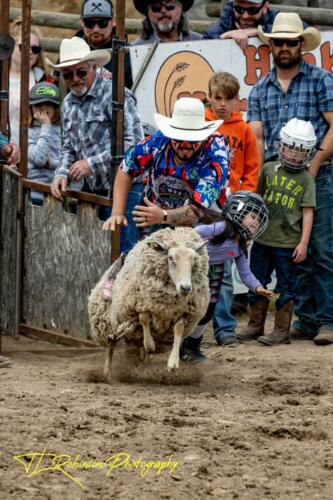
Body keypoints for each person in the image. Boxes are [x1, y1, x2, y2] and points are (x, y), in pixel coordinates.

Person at [247, 12, 333, 346]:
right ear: (271, 45)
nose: (284, 47)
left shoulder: (320, 79)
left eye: (291, 42)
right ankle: (307, 320)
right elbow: (256, 138)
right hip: (276, 181)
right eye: (279, 42)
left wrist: (315, 163)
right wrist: (257, 185)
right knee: (287, 252)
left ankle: (326, 318)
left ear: (301, 44)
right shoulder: (259, 90)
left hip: (318, 176)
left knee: (321, 249)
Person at [49, 37, 144, 250]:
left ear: (93, 68)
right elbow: (68, 148)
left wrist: (91, 164)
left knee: (123, 250)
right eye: (68, 75)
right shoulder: (67, 105)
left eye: (80, 72)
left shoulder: (117, 95)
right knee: (99, 252)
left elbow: (135, 144)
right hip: (95, 191)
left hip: (128, 188)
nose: (75, 79)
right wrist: (61, 173)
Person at [238, 118, 316, 345]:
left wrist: (303, 243)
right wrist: (249, 228)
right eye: (290, 147)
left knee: (286, 287)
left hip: (288, 244)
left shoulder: (306, 179)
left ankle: (281, 331)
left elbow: (308, 213)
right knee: (256, 281)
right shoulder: (268, 169)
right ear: (281, 145)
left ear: (308, 153)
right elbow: (257, 200)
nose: (293, 154)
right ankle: (254, 326)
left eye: (300, 151)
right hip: (263, 239)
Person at [103, 97, 229, 234]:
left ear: (203, 137)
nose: (185, 146)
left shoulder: (216, 156)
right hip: (158, 214)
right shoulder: (158, 142)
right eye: (179, 138)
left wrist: (163, 216)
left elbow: (196, 211)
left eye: (193, 140)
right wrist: (117, 212)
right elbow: (126, 169)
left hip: (203, 225)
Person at [180, 191, 276, 363]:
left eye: (259, 221)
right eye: (253, 216)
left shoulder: (240, 246)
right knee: (182, 305)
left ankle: (191, 346)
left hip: (214, 272)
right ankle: (173, 342)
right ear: (237, 210)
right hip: (194, 267)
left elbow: (245, 273)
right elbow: (197, 231)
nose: (256, 223)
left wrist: (258, 287)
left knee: (207, 312)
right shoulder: (222, 226)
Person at [205, 71, 260, 347]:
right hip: (205, 206)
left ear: (238, 100)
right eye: (217, 98)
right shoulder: (203, 126)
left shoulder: (244, 130)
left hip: (231, 209)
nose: (222, 104)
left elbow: (252, 168)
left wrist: (245, 199)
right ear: (209, 99)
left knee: (224, 270)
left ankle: (225, 328)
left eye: (228, 99)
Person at [9, 19, 53, 145]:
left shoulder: (45, 81)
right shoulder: (2, 78)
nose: (30, 52)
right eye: (24, 47)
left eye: (35, 49)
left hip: (33, 155)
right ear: (11, 45)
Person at [75, 0, 133, 88]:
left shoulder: (129, 56)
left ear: (114, 21)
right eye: (89, 23)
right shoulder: (70, 53)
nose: (96, 29)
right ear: (82, 21)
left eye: (102, 23)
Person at [27, 82, 61, 205]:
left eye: (47, 103)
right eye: (37, 104)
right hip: (36, 196)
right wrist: (46, 126)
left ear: (55, 107)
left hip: (61, 197)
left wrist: (52, 163)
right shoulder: (27, 133)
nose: (43, 108)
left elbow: (71, 164)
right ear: (31, 107)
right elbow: (39, 159)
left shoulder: (64, 131)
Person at [203, 0, 279, 49]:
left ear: (265, 6)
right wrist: (224, 37)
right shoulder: (223, 26)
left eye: (252, 10)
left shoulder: (277, 20)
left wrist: (260, 31)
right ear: (233, 6)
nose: (245, 16)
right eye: (239, 9)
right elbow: (201, 49)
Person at [131, 0, 202, 45]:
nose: (163, 11)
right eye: (156, 7)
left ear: (181, 9)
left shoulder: (200, 43)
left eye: (170, 6)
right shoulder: (137, 49)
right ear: (148, 13)